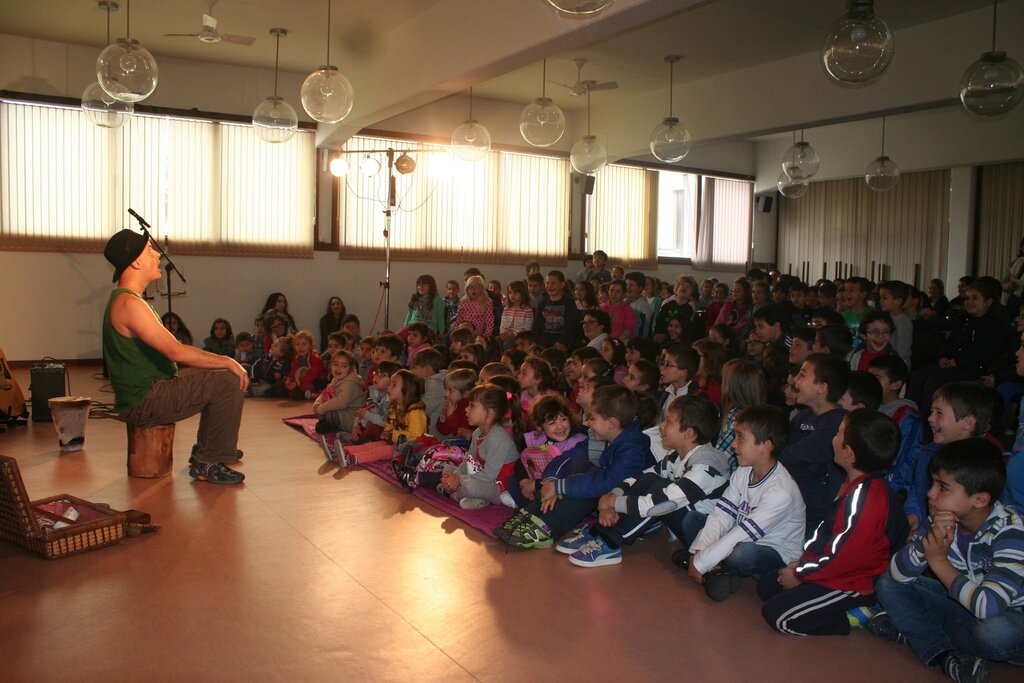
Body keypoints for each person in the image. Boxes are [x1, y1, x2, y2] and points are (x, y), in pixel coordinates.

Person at [870, 439, 1024, 681]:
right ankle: (946, 656)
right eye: (933, 483)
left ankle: (917, 632)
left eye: (943, 487)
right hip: (965, 607)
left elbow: (989, 607)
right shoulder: (942, 519)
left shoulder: (1010, 532)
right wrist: (926, 542)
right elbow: (898, 575)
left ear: (979, 500)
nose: (930, 493)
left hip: (1009, 616)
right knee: (887, 583)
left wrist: (939, 562)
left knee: (996, 633)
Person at [102, 229, 247, 484]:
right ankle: (209, 460)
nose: (157, 255)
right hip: (145, 400)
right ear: (136, 262)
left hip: (147, 393)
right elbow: (175, 351)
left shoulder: (127, 300)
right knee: (229, 381)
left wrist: (220, 364)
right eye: (149, 250)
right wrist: (228, 360)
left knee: (217, 375)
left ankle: (209, 449)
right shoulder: (130, 304)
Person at [759, 409, 908, 636]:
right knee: (768, 585)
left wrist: (800, 574)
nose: (833, 438)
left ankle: (855, 615)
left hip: (854, 583)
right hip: (834, 570)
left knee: (778, 616)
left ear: (848, 453)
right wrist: (803, 563)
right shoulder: (853, 483)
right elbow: (828, 534)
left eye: (838, 433)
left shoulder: (867, 498)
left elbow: (843, 558)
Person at [564, 395, 729, 568]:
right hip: (687, 521)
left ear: (689, 433)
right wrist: (613, 497)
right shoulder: (677, 456)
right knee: (651, 479)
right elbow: (642, 476)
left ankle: (611, 543)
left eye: (668, 422)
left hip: (704, 535)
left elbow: (662, 504)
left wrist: (614, 503)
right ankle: (598, 532)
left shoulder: (704, 469)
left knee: (661, 494)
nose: (661, 426)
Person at [496, 385, 654, 549]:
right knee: (576, 464)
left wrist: (559, 487)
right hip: (608, 497)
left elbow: (606, 482)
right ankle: (532, 514)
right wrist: (550, 481)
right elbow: (566, 458)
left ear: (611, 422)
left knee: (591, 481)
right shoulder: (603, 436)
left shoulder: (633, 449)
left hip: (627, 509)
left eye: (592, 418)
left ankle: (547, 526)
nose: (589, 424)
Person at [686, 405, 805, 602]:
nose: (733, 444)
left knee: (742, 554)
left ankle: (716, 570)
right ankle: (717, 572)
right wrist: (701, 553)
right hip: (740, 536)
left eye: (740, 437)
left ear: (765, 446)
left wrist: (700, 562)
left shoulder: (781, 492)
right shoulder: (744, 470)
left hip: (772, 553)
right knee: (692, 519)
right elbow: (722, 513)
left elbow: (742, 533)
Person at [781, 353, 849, 533]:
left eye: (802, 375)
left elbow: (800, 453)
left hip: (816, 516)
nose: (795, 380)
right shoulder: (802, 417)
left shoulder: (839, 424)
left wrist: (767, 454)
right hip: (790, 505)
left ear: (821, 388)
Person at [336, 369, 426, 468]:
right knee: (371, 446)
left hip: (410, 449)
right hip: (395, 442)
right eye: (390, 383)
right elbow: (390, 423)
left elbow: (417, 437)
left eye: (394, 385)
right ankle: (343, 452)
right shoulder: (395, 406)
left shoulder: (415, 412)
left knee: (380, 451)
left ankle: (354, 459)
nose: (388, 387)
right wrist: (386, 432)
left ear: (407, 391)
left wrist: (392, 434)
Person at [868, 356, 924, 506]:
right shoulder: (872, 405)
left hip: (890, 485)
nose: (870, 383)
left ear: (896, 384)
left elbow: (902, 457)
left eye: (876, 378)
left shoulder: (906, 415)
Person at [313, 350, 366, 457]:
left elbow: (342, 402)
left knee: (327, 409)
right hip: (342, 414)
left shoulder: (351, 383)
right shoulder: (336, 379)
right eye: (335, 364)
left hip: (352, 419)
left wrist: (322, 408)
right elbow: (325, 393)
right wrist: (317, 403)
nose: (338, 368)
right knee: (325, 407)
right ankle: (330, 425)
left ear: (351, 368)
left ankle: (334, 427)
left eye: (344, 366)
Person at [532, 270, 578, 350]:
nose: (549, 286)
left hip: (562, 342)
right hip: (544, 342)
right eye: (547, 283)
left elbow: (570, 325)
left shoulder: (569, 302)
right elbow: (537, 324)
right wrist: (534, 340)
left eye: (553, 283)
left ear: (562, 285)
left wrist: (562, 341)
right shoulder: (542, 303)